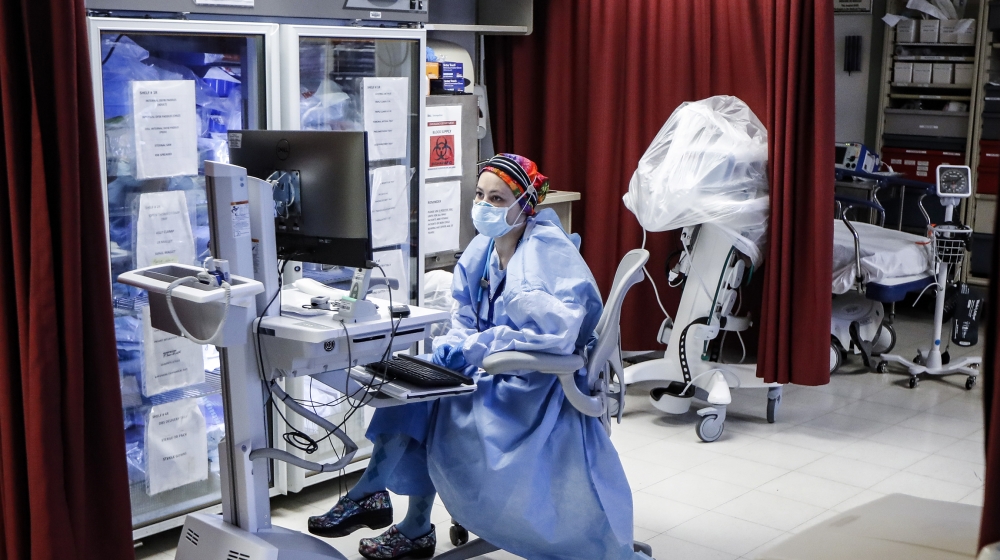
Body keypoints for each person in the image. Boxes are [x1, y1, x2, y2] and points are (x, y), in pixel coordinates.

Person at [308, 154, 646, 560]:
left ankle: (393, 509)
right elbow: (465, 313)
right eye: (480, 195)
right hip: (490, 372)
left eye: (499, 199)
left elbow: (554, 336)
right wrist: (461, 342)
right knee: (414, 387)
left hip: (534, 385)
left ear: (525, 204)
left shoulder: (544, 253)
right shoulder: (483, 250)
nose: (485, 206)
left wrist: (478, 346)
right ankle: (384, 501)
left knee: (429, 404)